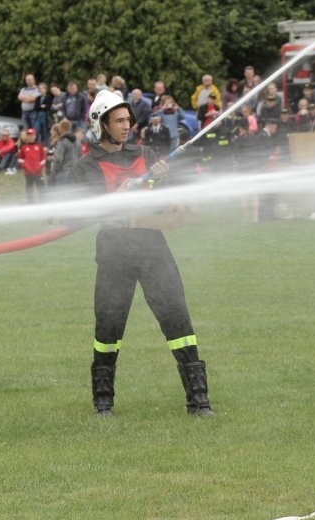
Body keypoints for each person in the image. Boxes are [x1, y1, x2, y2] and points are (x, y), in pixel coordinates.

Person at [69, 90, 215, 417]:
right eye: (119, 120)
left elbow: (160, 206)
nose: (127, 126)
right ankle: (103, 403)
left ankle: (199, 400)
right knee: (108, 327)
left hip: (152, 247)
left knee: (177, 319)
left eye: (128, 119)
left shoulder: (145, 154)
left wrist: (159, 183)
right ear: (101, 124)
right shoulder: (85, 167)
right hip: (114, 252)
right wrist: (115, 197)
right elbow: (79, 214)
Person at [16, 128, 46, 204]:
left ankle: (43, 202)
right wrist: (26, 166)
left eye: (32, 135)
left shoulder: (39, 146)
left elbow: (43, 158)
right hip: (28, 173)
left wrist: (39, 167)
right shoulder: (24, 147)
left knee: (41, 188)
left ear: (35, 136)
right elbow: (20, 159)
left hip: (38, 173)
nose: (30, 137)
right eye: (29, 135)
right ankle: (30, 203)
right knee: (29, 189)